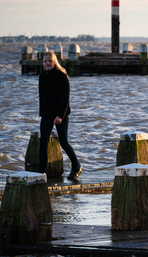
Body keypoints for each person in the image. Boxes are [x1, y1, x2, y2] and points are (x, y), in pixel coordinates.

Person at [38, 50, 82, 180]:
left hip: (60, 114)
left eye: (50, 61)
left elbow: (65, 99)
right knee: (43, 141)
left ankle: (76, 166)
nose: (47, 63)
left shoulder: (61, 76)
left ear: (54, 62)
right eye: (45, 61)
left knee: (63, 142)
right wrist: (43, 115)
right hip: (47, 114)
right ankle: (42, 172)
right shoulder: (42, 77)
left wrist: (60, 116)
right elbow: (43, 99)